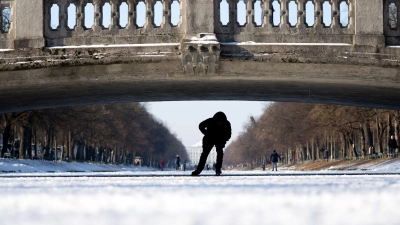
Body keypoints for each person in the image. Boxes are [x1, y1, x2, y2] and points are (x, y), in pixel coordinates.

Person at [191, 111, 232, 176]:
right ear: (216, 121)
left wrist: (224, 140)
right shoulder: (211, 121)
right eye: (219, 122)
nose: (220, 124)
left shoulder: (226, 123)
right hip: (209, 139)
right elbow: (200, 125)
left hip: (219, 139)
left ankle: (218, 170)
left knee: (219, 154)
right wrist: (206, 133)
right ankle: (198, 170)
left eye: (221, 122)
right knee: (205, 155)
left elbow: (229, 134)